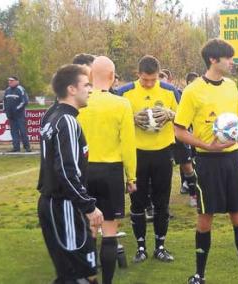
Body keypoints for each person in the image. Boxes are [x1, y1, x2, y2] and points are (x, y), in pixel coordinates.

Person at [175, 39, 238, 284]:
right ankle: (200, 275)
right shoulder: (193, 90)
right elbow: (179, 131)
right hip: (207, 162)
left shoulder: (231, 86)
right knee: (205, 217)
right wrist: (207, 145)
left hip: (232, 161)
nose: (232, 62)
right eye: (229, 58)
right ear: (213, 59)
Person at [38, 64, 103, 284]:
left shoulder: (51, 115)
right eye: (86, 85)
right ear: (71, 89)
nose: (90, 89)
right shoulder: (66, 121)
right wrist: (89, 206)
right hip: (63, 205)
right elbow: (66, 172)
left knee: (74, 272)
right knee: (80, 275)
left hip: (56, 204)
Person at [77, 56, 136, 284]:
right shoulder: (121, 104)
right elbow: (128, 145)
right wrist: (131, 176)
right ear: (112, 77)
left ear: (90, 76)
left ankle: (90, 278)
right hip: (111, 171)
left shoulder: (80, 104)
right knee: (109, 230)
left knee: (89, 228)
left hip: (84, 171)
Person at [118, 56, 178, 263]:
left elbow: (184, 119)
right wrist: (131, 118)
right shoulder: (124, 92)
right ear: (138, 74)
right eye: (145, 80)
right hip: (137, 154)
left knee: (162, 202)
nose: (149, 84)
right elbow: (116, 121)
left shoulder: (170, 91)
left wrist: (171, 113)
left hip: (162, 153)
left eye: (153, 80)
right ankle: (141, 247)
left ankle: (160, 246)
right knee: (137, 203)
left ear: (159, 75)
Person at [160, 69, 199, 208]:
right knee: (162, 172)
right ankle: (158, 204)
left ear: (168, 80)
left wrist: (172, 115)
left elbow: (182, 114)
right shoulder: (150, 94)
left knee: (187, 166)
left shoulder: (175, 92)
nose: (160, 81)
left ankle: (194, 195)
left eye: (162, 78)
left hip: (177, 135)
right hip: (161, 137)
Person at [3, 76, 30, 152]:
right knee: (13, 131)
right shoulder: (7, 90)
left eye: (11, 81)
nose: (9, 82)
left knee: (23, 131)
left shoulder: (20, 89)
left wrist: (17, 109)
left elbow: (25, 101)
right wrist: (5, 109)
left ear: (17, 81)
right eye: (9, 81)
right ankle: (16, 147)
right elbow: (4, 101)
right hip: (10, 115)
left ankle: (27, 147)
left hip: (19, 115)